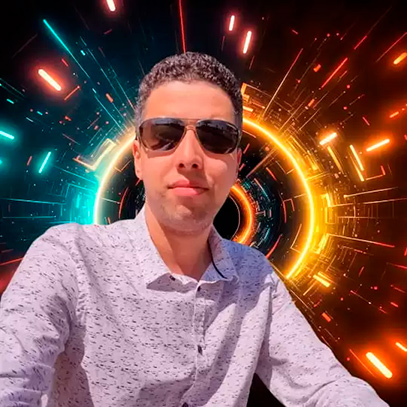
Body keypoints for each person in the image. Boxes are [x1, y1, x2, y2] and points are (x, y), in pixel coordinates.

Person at [0, 52, 388, 407]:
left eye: (215, 137)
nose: (189, 157)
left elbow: (324, 386)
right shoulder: (69, 258)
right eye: (164, 135)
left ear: (235, 164)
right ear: (138, 158)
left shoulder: (254, 277)